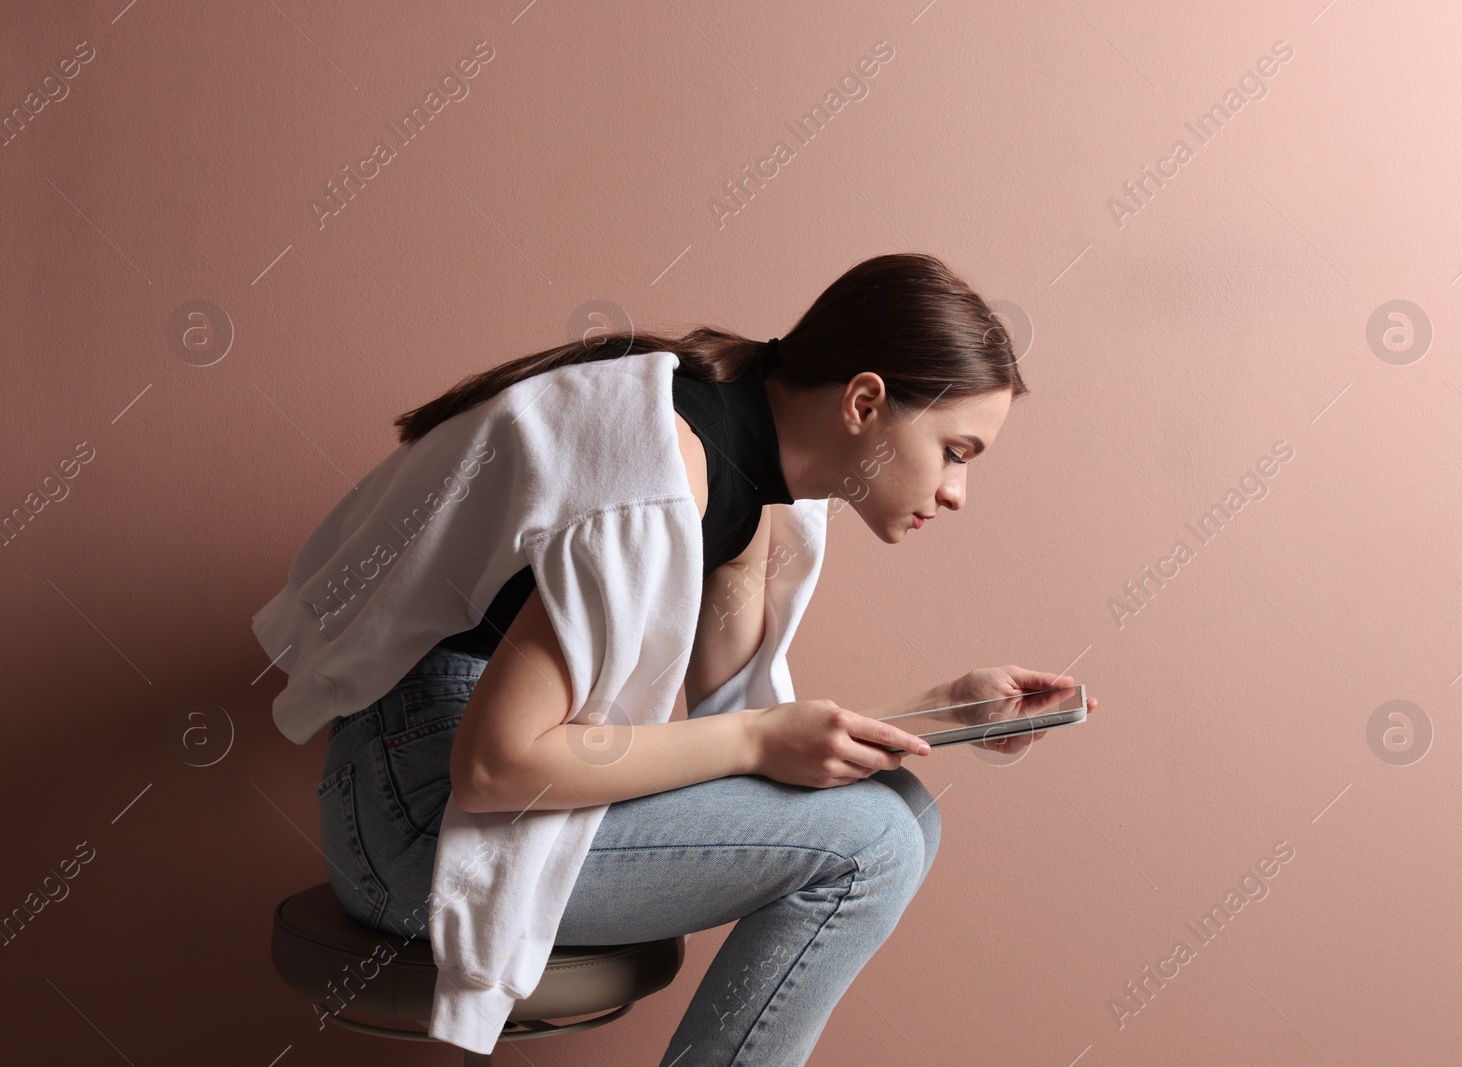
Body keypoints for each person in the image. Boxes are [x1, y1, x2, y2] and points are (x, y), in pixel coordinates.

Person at [289, 251, 1095, 1065]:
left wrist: (940, 711)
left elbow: (748, 734)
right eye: (957, 451)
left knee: (905, 814)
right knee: (876, 841)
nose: (957, 491)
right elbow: (495, 765)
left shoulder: (756, 483)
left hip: (446, 776)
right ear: (864, 401)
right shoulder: (664, 472)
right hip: (409, 818)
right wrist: (757, 740)